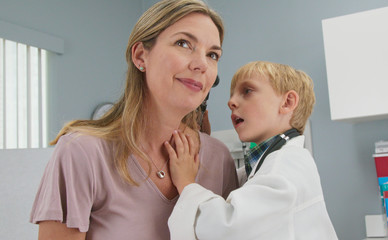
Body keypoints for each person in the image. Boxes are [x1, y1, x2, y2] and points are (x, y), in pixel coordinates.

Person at [29, 0, 238, 239]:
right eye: (184, 43)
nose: (202, 64)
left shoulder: (219, 159)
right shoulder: (82, 152)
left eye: (213, 55)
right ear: (141, 56)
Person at [166, 61, 338, 239]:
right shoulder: (271, 164)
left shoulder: (285, 164)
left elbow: (227, 229)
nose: (231, 102)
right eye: (232, 95)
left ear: (287, 102)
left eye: (247, 91)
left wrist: (186, 182)